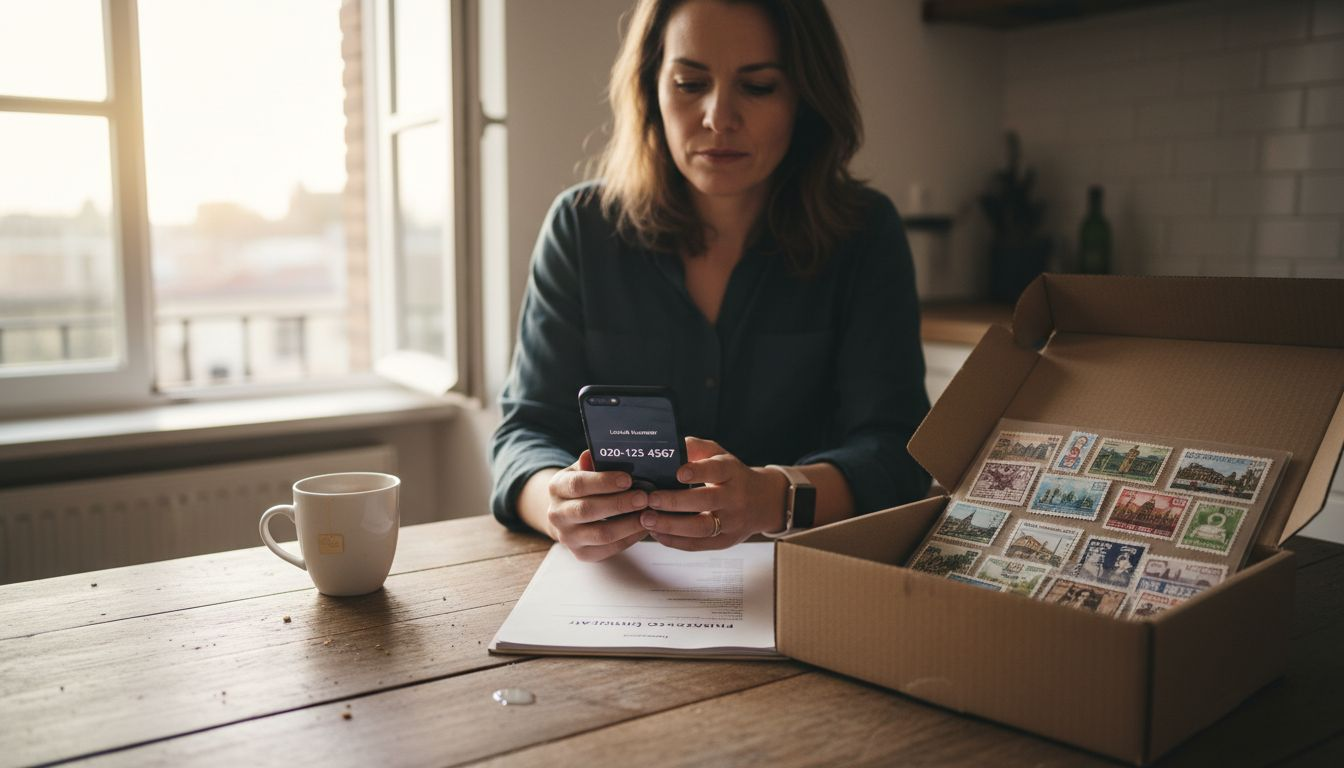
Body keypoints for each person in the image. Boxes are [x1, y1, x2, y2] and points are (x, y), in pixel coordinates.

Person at [489, 0, 930, 561]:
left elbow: (899, 451)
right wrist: (556, 503)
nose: (719, 116)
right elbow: (523, 434)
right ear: (652, 90)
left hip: (809, 580)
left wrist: (774, 497)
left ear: (805, 97)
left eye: (760, 86)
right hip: (621, 585)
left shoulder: (864, 234)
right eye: (690, 82)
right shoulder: (581, 228)